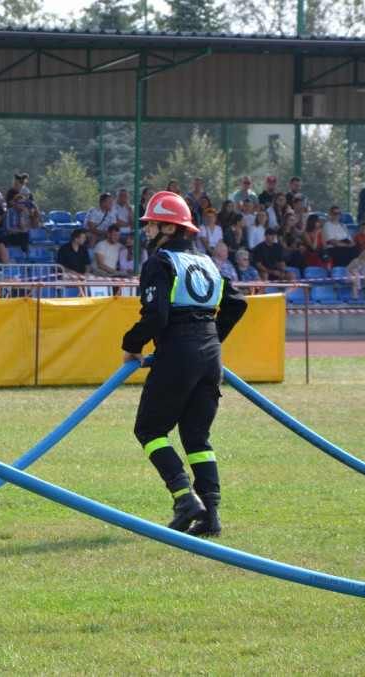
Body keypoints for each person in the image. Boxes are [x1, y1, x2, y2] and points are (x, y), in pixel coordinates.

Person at [121, 190, 247, 538]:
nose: (145, 230)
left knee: (149, 431)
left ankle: (184, 499)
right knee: (196, 436)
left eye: (150, 224)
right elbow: (237, 305)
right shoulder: (209, 262)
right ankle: (212, 515)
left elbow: (156, 316)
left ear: (169, 228)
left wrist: (131, 345)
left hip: (177, 352)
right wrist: (212, 339)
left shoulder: (160, 263)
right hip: (210, 357)